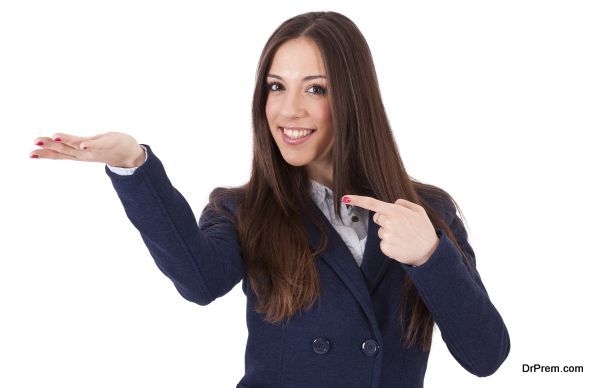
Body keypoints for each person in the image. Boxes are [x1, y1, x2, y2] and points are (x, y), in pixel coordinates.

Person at [29, 11, 510, 388]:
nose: (288, 110)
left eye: (315, 89)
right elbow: (199, 281)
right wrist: (134, 166)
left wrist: (429, 256)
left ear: (353, 99)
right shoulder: (243, 210)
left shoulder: (427, 213)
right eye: (276, 87)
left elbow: (486, 356)